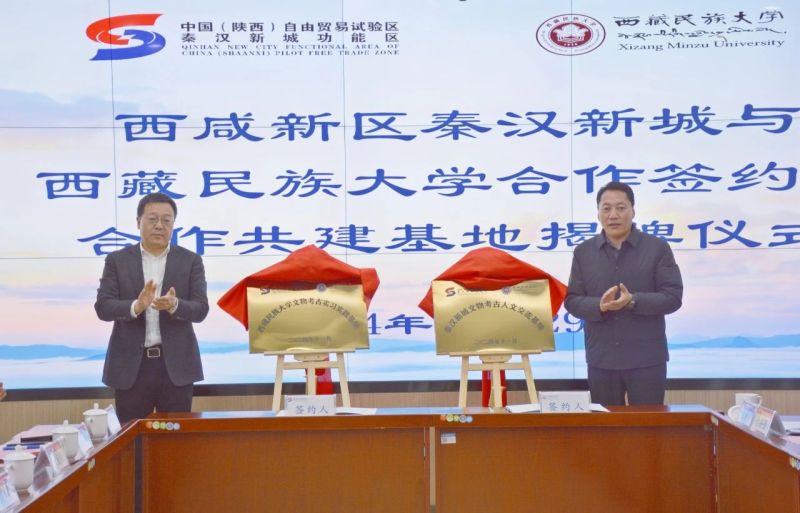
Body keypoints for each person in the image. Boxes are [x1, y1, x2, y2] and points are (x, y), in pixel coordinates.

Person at [564, 181, 683, 406]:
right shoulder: (583, 252)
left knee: (647, 425)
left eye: (621, 208)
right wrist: (599, 305)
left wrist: (633, 301)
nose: (613, 215)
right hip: (602, 360)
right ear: (598, 214)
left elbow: (673, 297)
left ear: (633, 211)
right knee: (606, 425)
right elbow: (572, 300)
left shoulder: (657, 248)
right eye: (606, 208)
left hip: (647, 359)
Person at [95, 193, 209, 423]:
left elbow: (201, 309)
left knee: (175, 436)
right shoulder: (117, 260)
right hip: (131, 367)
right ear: (139, 222)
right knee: (133, 436)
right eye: (152, 219)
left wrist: (175, 305)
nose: (159, 226)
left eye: (167, 220)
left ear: (173, 225)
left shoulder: (190, 260)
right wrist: (136, 306)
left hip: (176, 367)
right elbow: (103, 307)